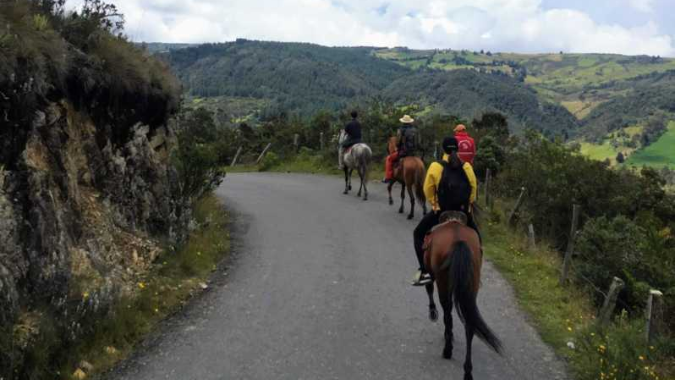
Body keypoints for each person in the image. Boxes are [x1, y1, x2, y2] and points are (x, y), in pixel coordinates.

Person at [411, 137, 479, 286]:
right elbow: (473, 189)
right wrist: (467, 207)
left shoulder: (436, 166)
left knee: (418, 234)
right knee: (478, 239)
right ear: (458, 149)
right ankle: (477, 270)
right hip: (463, 213)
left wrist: (435, 206)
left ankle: (424, 271)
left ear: (443, 150)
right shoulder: (467, 166)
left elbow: (427, 190)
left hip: (442, 212)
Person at [383, 114, 417, 183]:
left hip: (404, 152)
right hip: (413, 152)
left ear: (403, 122)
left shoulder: (400, 130)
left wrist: (397, 148)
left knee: (389, 158)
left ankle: (388, 177)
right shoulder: (414, 130)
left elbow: (398, 142)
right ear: (410, 122)